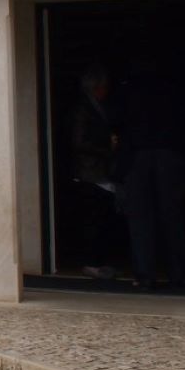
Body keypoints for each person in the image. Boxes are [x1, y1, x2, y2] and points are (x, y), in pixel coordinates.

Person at [114, 58, 185, 291]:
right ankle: (177, 274)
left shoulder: (128, 90)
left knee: (140, 220)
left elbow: (119, 122)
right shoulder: (174, 88)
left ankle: (145, 275)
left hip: (138, 155)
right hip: (169, 153)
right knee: (172, 217)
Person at [69, 64, 121, 280]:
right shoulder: (84, 109)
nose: (106, 90)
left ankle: (99, 261)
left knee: (101, 218)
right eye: (103, 86)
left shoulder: (97, 107)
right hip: (90, 172)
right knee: (94, 218)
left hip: (99, 172)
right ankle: (92, 262)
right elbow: (78, 142)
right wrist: (108, 149)